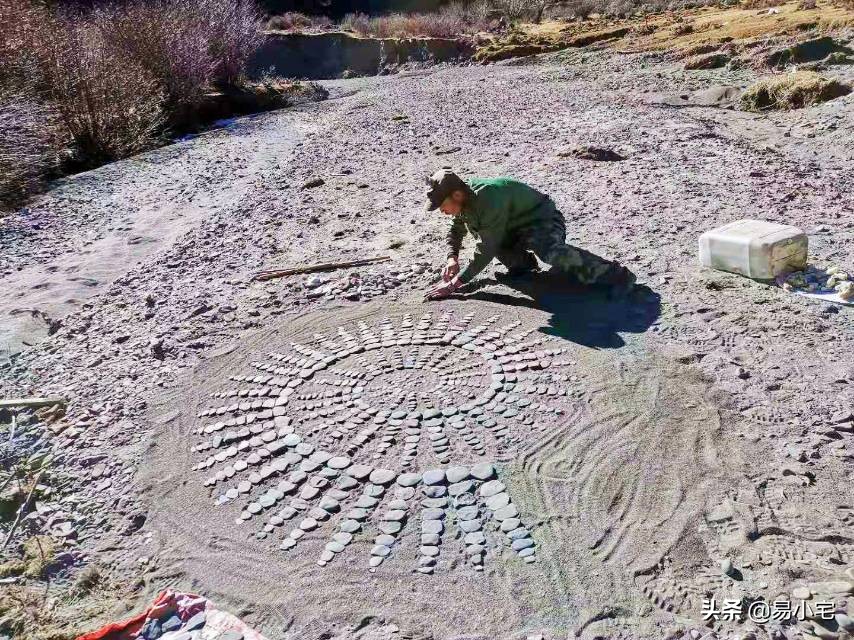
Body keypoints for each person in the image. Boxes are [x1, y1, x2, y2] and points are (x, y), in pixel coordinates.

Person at [424, 170, 635, 300]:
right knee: (497, 242)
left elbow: (486, 249)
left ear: (457, 195)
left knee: (549, 252)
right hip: (517, 227)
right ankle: (524, 268)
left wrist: (454, 285)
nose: (442, 211)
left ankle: (617, 275)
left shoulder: (486, 200)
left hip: (544, 221)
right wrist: (452, 257)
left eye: (442, 206)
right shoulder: (465, 201)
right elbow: (456, 229)